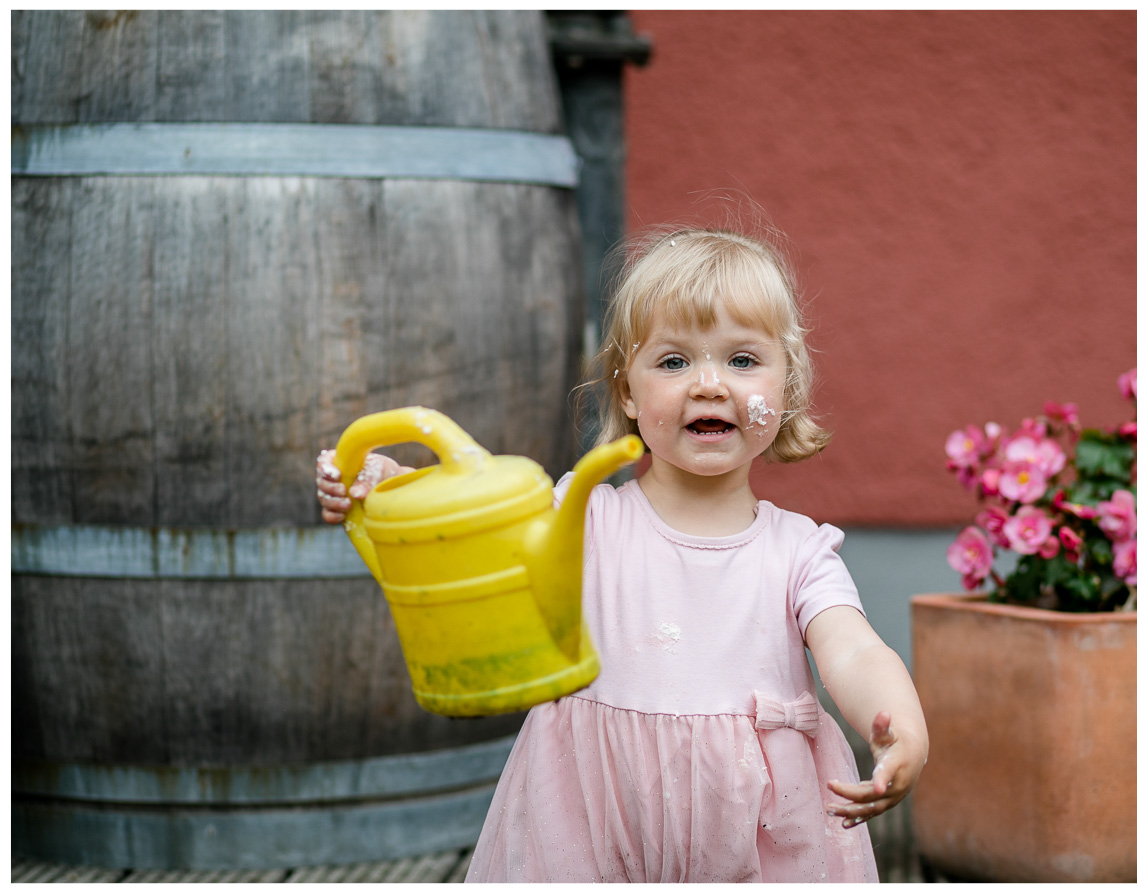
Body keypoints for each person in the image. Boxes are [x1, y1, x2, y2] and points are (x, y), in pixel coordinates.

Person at [314, 226, 928, 882]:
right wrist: (389, 490)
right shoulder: (580, 516)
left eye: (742, 360)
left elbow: (854, 649)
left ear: (787, 387)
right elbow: (475, 534)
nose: (709, 384)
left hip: (755, 827)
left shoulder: (797, 550)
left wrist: (896, 728)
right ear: (627, 391)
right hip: (593, 815)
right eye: (673, 361)